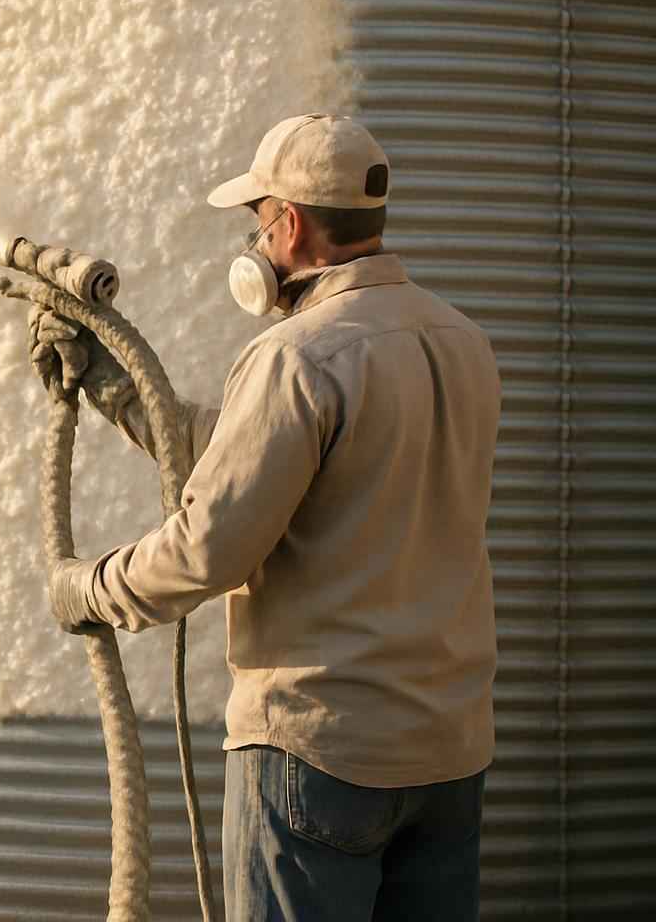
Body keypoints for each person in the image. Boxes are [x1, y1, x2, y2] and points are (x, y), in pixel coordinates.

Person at [29, 114, 501, 922]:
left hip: (320, 753)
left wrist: (90, 589)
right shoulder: (464, 343)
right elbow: (270, 458)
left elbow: (208, 551)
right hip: (448, 752)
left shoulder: (295, 356)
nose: (253, 241)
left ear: (290, 224)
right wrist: (113, 386)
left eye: (257, 220)